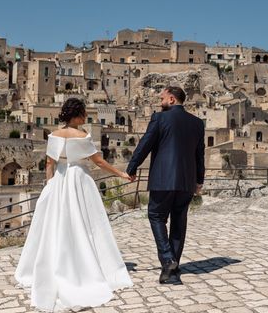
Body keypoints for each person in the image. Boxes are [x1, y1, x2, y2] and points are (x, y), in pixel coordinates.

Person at [14, 98, 133, 312]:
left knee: (57, 223)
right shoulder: (83, 136)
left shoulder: (53, 136)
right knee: (86, 223)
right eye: (84, 113)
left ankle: (56, 263)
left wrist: (50, 186)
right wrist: (121, 173)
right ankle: (86, 264)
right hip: (78, 179)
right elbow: (98, 161)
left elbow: (49, 164)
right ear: (77, 115)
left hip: (59, 179)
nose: (86, 116)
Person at [127, 86, 205, 283]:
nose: (159, 101)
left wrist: (132, 167)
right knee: (179, 221)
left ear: (171, 99)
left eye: (162, 98)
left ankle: (168, 258)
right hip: (187, 180)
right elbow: (199, 155)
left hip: (163, 179)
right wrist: (199, 180)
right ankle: (172, 268)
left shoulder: (160, 118)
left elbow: (145, 144)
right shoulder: (197, 123)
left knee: (156, 216)